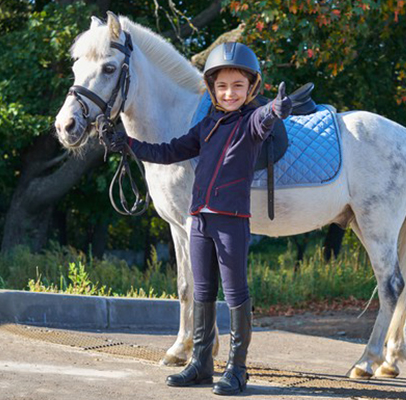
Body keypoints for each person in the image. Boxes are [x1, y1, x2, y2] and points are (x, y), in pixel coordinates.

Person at [110, 42, 291, 395]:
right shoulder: (205, 126)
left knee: (236, 294)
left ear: (251, 88)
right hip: (200, 222)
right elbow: (167, 151)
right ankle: (201, 363)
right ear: (211, 89)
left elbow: (264, 118)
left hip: (230, 223)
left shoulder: (250, 123)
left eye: (238, 86)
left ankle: (237, 369)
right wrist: (128, 143)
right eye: (222, 86)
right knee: (204, 293)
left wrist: (276, 109)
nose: (229, 93)